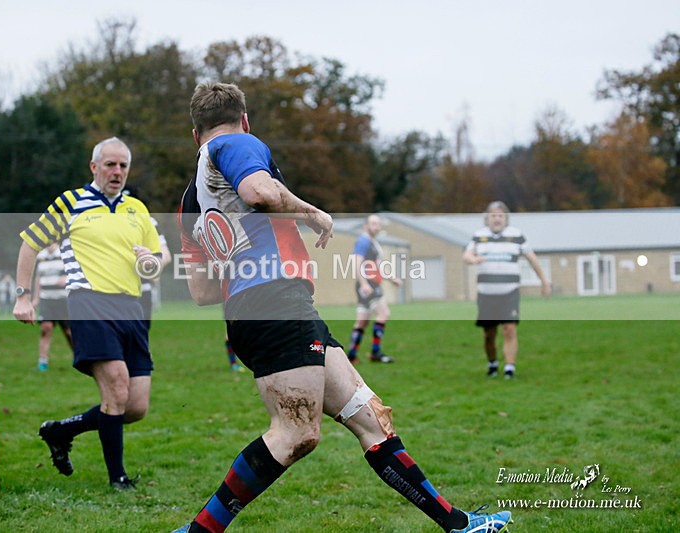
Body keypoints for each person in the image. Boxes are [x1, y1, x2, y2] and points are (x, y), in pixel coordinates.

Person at [172, 82, 511, 533]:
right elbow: (259, 192)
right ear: (245, 120)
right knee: (295, 433)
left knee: (372, 419)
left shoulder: (190, 199)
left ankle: (458, 524)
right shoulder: (237, 143)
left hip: (260, 309)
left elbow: (200, 291)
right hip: (277, 305)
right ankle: (200, 530)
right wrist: (311, 212)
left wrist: (242, 264)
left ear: (194, 133)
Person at [13, 137, 162, 490]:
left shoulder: (137, 208)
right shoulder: (71, 202)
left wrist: (149, 262)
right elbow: (30, 244)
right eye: (110, 164)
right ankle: (118, 479)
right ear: (94, 167)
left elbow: (155, 265)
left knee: (135, 406)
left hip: (132, 308)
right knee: (117, 386)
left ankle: (61, 431)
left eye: (123, 165)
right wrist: (23, 297)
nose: (117, 171)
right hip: (88, 304)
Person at [462, 201, 551, 379]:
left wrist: (544, 281)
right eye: (493, 215)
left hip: (509, 292)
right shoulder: (479, 236)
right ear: (487, 218)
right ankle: (493, 364)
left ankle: (510, 369)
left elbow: (532, 259)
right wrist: (473, 259)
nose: (497, 219)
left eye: (500, 216)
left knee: (509, 329)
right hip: (486, 294)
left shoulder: (516, 235)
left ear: (506, 218)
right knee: (489, 334)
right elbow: (466, 255)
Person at [347, 214, 402, 364]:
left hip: (370, 284)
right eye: (373, 224)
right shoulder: (363, 241)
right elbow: (357, 263)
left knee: (362, 321)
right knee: (383, 313)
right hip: (369, 285)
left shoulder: (373, 243)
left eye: (378, 224)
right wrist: (364, 284)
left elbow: (378, 267)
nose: (376, 227)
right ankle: (376, 352)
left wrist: (392, 279)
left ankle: (351, 356)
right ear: (366, 226)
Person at [123, 186, 173, 330]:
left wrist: (152, 266)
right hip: (108, 291)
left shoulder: (148, 221)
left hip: (141, 290)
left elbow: (165, 255)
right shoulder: (103, 221)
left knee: (138, 338)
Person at [33, 242, 73, 371]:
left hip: (63, 299)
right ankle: (42, 362)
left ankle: (79, 357)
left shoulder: (65, 254)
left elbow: (75, 273)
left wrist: (66, 279)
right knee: (46, 328)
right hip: (46, 299)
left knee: (69, 332)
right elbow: (38, 278)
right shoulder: (41, 256)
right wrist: (36, 298)